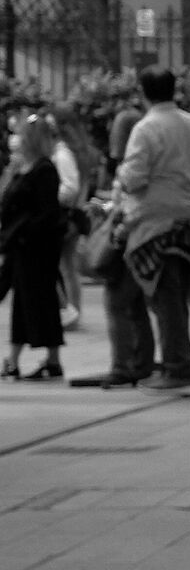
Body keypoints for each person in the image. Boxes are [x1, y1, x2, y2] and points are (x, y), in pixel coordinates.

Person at [115, 65, 190, 391]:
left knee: (164, 297)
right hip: (188, 217)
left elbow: (134, 177)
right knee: (173, 297)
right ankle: (172, 361)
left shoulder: (146, 128)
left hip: (153, 220)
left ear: (142, 92)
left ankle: (176, 366)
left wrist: (123, 175)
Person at [1, 111, 69, 380]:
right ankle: (19, 359)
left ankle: (39, 359)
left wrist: (23, 232)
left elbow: (46, 213)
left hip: (35, 248)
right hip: (20, 246)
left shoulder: (44, 170)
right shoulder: (23, 167)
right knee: (25, 303)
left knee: (39, 301)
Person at [48, 101, 98, 330]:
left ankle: (70, 312)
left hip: (65, 215)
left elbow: (70, 187)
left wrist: (48, 197)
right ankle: (72, 311)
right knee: (67, 266)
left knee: (63, 266)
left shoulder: (63, 153)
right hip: (74, 214)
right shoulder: (78, 150)